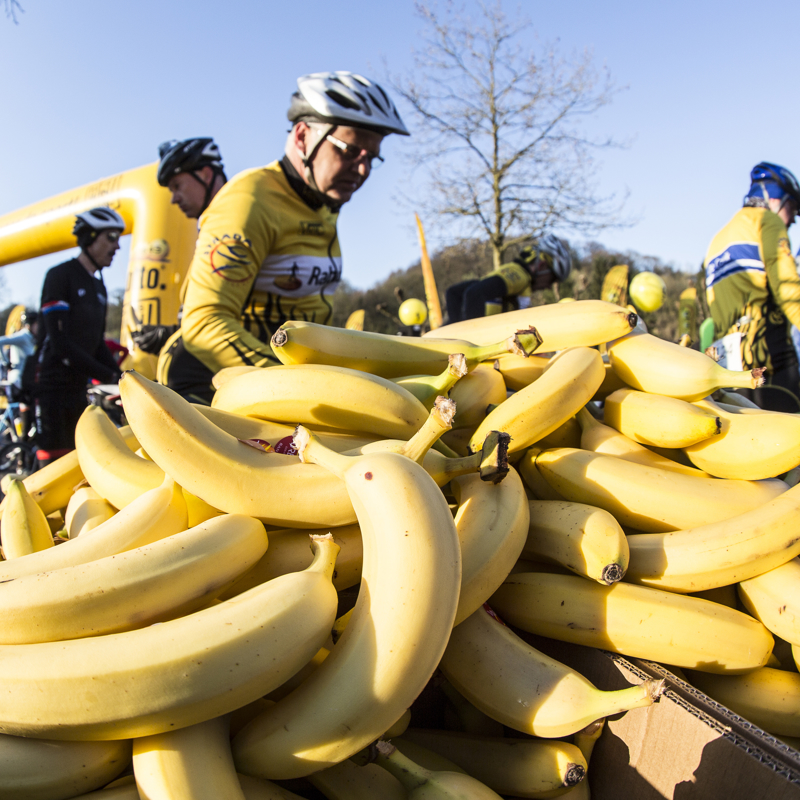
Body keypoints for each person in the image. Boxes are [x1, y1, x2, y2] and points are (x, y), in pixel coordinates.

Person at [171, 71, 409, 380]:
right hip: (210, 379)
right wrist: (299, 383)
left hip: (288, 374)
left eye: (372, 158)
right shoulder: (249, 200)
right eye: (349, 151)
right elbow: (205, 323)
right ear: (302, 137)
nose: (363, 169)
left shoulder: (321, 205)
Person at [132, 138, 228, 403]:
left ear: (205, 173)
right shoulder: (210, 226)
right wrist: (171, 332)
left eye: (177, 186)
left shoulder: (233, 224)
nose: (173, 199)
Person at [703, 162, 800, 411]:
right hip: (770, 361)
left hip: (730, 370)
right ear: (774, 198)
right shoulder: (767, 222)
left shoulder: (717, 239)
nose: (792, 221)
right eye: (792, 208)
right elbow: (788, 290)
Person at [32, 207, 125, 468]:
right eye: (111, 237)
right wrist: (107, 377)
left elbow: (96, 343)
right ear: (89, 238)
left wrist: (124, 377)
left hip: (76, 386)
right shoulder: (60, 276)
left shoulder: (99, 287)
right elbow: (60, 344)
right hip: (50, 384)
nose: (117, 246)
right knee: (52, 464)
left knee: (77, 461)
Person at [445, 234, 573, 323]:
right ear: (542, 266)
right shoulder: (519, 276)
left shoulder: (520, 279)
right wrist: (467, 338)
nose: (549, 286)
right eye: (552, 279)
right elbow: (474, 293)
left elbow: (454, 293)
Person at [0, 310, 38, 398]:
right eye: (37, 324)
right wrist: (6, 363)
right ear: (30, 325)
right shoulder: (23, 336)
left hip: (26, 379)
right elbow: (0, 341)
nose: (39, 327)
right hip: (18, 381)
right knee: (17, 409)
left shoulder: (31, 339)